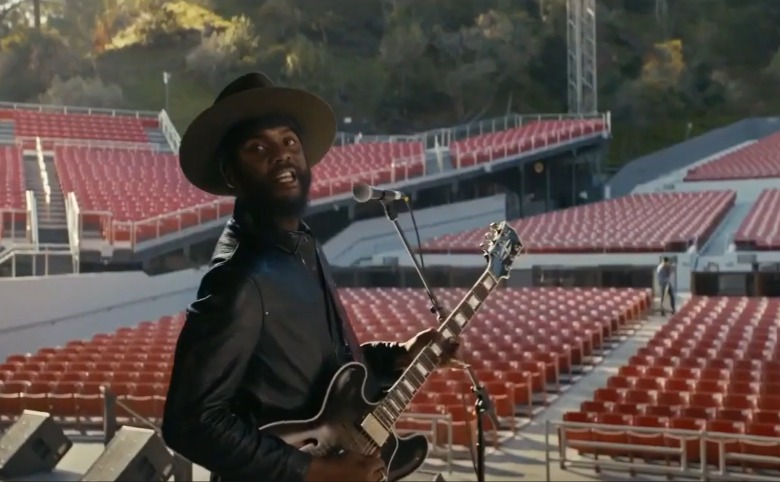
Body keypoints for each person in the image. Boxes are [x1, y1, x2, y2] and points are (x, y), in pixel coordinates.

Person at [161, 72, 459, 482]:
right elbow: (190, 422)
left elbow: (328, 377)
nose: (282, 155)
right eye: (258, 147)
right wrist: (316, 470)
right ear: (230, 172)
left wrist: (400, 355)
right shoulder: (238, 277)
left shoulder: (304, 244)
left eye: (290, 142)